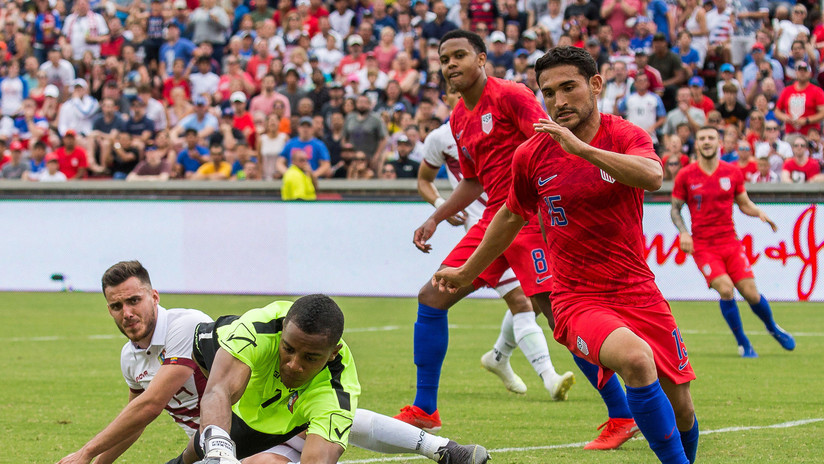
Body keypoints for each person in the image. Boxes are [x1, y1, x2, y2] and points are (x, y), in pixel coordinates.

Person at [431, 47, 700, 463]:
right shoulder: (532, 154)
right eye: (549, 92)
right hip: (577, 298)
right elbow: (509, 216)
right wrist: (467, 271)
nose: (558, 101)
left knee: (681, 403)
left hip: (639, 291)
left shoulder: (624, 134)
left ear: (595, 85)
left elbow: (653, 176)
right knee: (635, 359)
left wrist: (582, 150)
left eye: (568, 87)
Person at [395, 29, 575, 434]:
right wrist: (436, 217)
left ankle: (621, 412)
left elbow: (547, 143)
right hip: (494, 217)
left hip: (528, 214)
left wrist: (551, 206)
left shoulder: (510, 95)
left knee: (557, 314)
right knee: (432, 296)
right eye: (444, 59)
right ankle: (426, 408)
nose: (451, 64)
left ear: (481, 60)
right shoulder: (457, 119)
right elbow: (473, 182)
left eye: (459, 55)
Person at [184, 295, 489, 464]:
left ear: (332, 354)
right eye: (288, 350)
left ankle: (441, 449)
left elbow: (318, 460)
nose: (294, 365)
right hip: (228, 394)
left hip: (270, 418)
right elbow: (219, 391)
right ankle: (442, 448)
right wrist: (220, 450)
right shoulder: (257, 330)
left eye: (311, 358)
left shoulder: (337, 383)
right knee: (198, 452)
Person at [56, 261, 212, 464]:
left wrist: (85, 452)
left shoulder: (186, 325)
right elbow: (135, 422)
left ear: (154, 297)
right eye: (116, 306)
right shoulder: (129, 357)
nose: (127, 313)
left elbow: (151, 404)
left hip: (244, 435)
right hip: (204, 450)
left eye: (134, 300)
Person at [672, 126, 796, 358]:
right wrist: (683, 232)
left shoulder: (731, 172)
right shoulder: (685, 175)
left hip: (730, 242)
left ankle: (772, 327)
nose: (706, 142)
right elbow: (675, 209)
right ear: (697, 144)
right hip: (704, 247)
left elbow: (744, 203)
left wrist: (759, 212)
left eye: (710, 138)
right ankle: (743, 343)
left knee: (751, 294)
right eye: (702, 138)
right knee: (726, 290)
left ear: (718, 142)